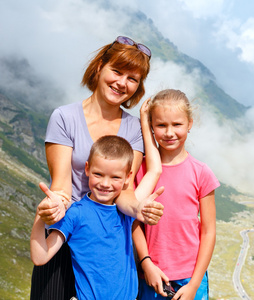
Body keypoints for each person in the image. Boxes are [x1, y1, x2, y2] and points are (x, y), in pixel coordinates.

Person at [30, 36, 164, 300]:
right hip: (65, 231)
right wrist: (54, 206)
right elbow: (61, 185)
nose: (122, 83)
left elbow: (124, 191)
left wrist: (139, 209)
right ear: (100, 66)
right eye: (116, 71)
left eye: (132, 78)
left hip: (108, 247)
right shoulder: (64, 118)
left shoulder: (134, 128)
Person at [31, 135, 164, 299]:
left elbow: (155, 170)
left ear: (127, 178)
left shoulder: (127, 211)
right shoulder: (75, 214)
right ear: (87, 169)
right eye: (98, 174)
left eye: (115, 177)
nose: (105, 184)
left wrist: (144, 116)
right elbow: (40, 257)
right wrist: (40, 215)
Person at [133, 89, 220, 300]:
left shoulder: (201, 173)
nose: (169, 132)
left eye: (177, 125)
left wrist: (194, 284)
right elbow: (133, 223)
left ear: (189, 124)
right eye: (161, 125)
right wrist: (147, 264)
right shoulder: (141, 171)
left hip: (190, 279)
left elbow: (208, 231)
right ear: (152, 127)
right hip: (150, 276)